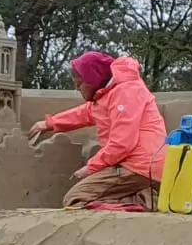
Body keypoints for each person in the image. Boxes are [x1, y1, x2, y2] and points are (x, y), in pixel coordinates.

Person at [30, 51, 167, 212]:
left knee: (76, 198)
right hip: (134, 165)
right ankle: (142, 197)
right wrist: (49, 124)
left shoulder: (125, 92)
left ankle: (144, 205)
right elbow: (85, 113)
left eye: (79, 84)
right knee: (97, 193)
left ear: (92, 79)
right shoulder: (106, 94)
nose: (77, 88)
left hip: (140, 166)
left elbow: (122, 144)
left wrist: (90, 167)